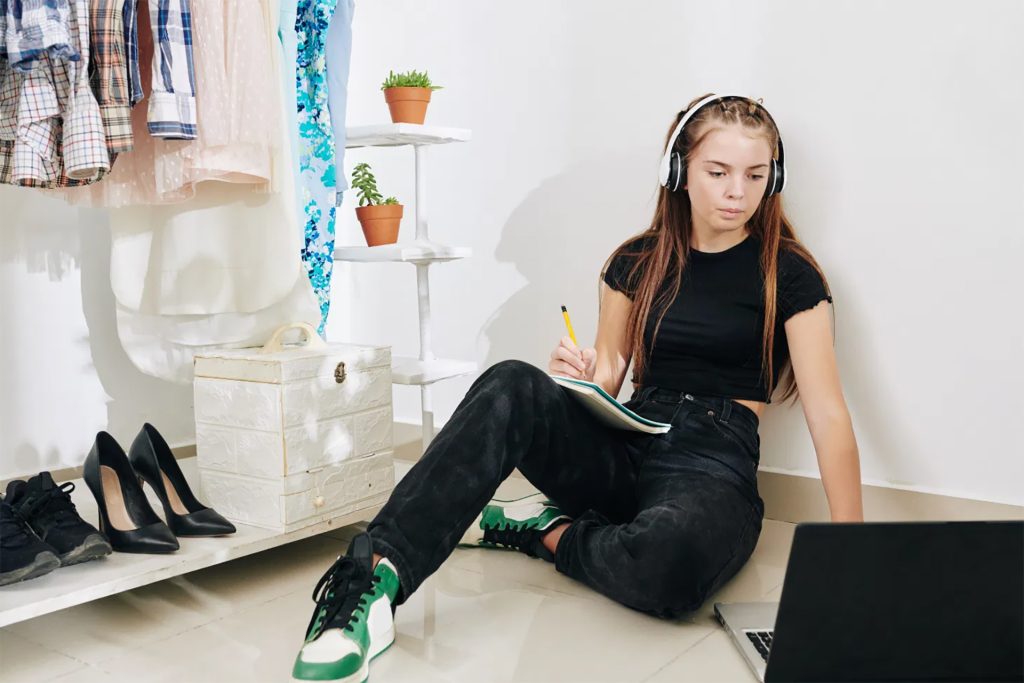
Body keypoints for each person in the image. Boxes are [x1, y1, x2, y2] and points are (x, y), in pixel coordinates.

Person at [290, 92, 864, 682]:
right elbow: (611, 379)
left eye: (755, 175)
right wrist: (584, 375)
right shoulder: (634, 262)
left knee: (672, 566)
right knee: (511, 382)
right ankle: (373, 578)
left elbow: (828, 414)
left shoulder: (789, 273)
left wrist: (852, 556)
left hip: (713, 460)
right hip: (631, 439)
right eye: (717, 173)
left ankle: (545, 532)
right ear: (679, 172)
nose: (736, 192)